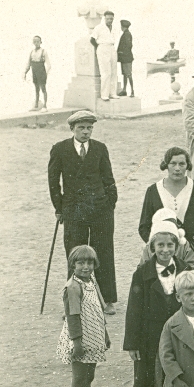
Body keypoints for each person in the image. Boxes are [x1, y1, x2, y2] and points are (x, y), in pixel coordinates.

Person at [124, 221, 192, 387]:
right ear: (152, 246)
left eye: (169, 244)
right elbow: (133, 311)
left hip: (178, 341)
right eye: (160, 245)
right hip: (150, 341)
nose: (165, 249)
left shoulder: (185, 271)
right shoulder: (141, 274)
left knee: (176, 386)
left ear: (176, 245)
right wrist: (132, 343)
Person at [48, 110, 118, 315]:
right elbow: (53, 182)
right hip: (74, 210)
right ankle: (74, 302)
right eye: (81, 128)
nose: (86, 132)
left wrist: (110, 202)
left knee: (103, 251)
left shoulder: (100, 148)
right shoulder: (60, 149)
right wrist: (59, 208)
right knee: (75, 254)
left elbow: (109, 177)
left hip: (100, 209)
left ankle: (106, 300)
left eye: (89, 128)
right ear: (72, 129)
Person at [139, 147, 194, 308]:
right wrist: (157, 246)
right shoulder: (153, 191)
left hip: (193, 252)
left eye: (182, 163)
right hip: (163, 253)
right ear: (166, 165)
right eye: (173, 163)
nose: (177, 168)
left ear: (188, 166)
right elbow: (144, 226)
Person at [55, 245, 111, 387]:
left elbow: (97, 310)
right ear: (73, 265)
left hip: (93, 335)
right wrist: (77, 344)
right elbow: (72, 317)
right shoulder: (73, 287)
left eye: (89, 262)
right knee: (79, 380)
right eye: (81, 263)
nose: (86, 267)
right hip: (79, 338)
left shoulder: (91, 281)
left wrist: (104, 333)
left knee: (89, 377)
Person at [90, 10, 119, 101]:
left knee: (114, 72)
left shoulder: (114, 28)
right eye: (108, 19)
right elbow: (92, 40)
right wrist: (99, 47)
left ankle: (113, 93)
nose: (110, 20)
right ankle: (104, 95)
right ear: (104, 18)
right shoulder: (99, 28)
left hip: (112, 48)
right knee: (106, 72)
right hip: (102, 48)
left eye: (111, 19)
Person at [23, 35, 51, 112]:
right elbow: (29, 63)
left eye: (37, 41)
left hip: (41, 71)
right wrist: (25, 72)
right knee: (36, 88)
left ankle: (45, 105)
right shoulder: (32, 52)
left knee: (43, 88)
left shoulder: (43, 51)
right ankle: (36, 104)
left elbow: (49, 65)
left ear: (40, 42)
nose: (36, 43)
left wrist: (46, 73)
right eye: (34, 41)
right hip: (34, 71)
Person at [116, 20, 134, 97]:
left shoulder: (126, 34)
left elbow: (129, 45)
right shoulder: (126, 34)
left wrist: (122, 52)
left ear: (123, 27)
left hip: (127, 58)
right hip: (125, 58)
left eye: (121, 26)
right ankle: (124, 90)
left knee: (128, 74)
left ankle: (132, 91)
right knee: (125, 74)